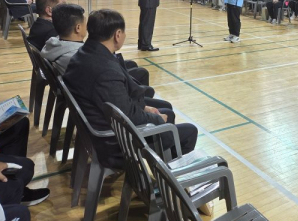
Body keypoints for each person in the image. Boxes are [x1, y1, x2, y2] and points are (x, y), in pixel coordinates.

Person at [63, 9, 197, 167]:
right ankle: (167, 177)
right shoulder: (105, 72)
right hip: (114, 145)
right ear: (117, 34)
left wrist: (145, 108)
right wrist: (157, 119)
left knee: (167, 113)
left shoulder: (83, 53)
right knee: (189, 131)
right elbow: (128, 117)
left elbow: (119, 104)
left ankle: (164, 162)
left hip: (97, 128)